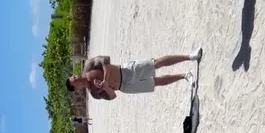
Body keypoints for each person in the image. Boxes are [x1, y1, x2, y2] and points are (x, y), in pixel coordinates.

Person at [66, 49, 202, 100]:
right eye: (75, 82)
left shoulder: (89, 66)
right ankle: (185, 76)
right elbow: (112, 96)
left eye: (75, 77)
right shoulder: (94, 93)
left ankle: (189, 56)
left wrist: (105, 79)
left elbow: (105, 60)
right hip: (125, 87)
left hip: (125, 70)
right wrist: (105, 87)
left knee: (156, 63)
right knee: (156, 82)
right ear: (77, 88)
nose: (77, 78)